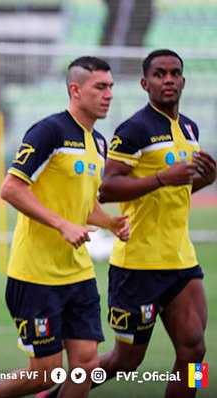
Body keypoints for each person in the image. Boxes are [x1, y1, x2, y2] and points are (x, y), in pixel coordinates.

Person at [0, 57, 130, 398]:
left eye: (111, 86)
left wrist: (109, 221)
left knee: (85, 365)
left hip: (78, 273)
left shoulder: (99, 142)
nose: (109, 94)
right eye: (101, 86)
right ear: (75, 89)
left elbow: (84, 206)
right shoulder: (49, 131)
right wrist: (62, 225)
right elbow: (11, 188)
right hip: (36, 275)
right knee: (46, 373)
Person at [92, 49, 214, 397]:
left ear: (184, 81)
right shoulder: (134, 130)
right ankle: (62, 389)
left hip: (181, 261)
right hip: (138, 266)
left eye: (175, 73)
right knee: (126, 361)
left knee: (195, 352)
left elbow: (179, 190)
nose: (169, 80)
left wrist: (205, 180)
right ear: (146, 83)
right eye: (160, 74)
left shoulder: (189, 127)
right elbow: (106, 188)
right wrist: (162, 177)